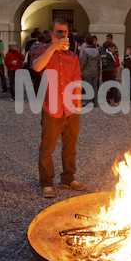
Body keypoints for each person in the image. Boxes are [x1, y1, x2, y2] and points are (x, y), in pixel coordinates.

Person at [32, 18, 84, 198]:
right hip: (52, 108)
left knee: (70, 146)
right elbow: (37, 66)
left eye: (65, 32)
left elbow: (77, 80)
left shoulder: (72, 56)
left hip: (70, 109)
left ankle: (68, 178)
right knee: (47, 147)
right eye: (59, 32)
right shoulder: (41, 52)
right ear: (51, 33)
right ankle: (47, 182)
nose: (63, 35)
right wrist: (53, 48)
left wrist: (77, 105)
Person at [79, 36, 100, 106]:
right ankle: (95, 102)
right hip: (95, 71)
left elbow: (84, 62)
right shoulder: (97, 50)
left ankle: (89, 102)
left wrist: (81, 71)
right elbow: (98, 62)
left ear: (87, 42)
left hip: (87, 71)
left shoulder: (85, 51)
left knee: (88, 87)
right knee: (95, 87)